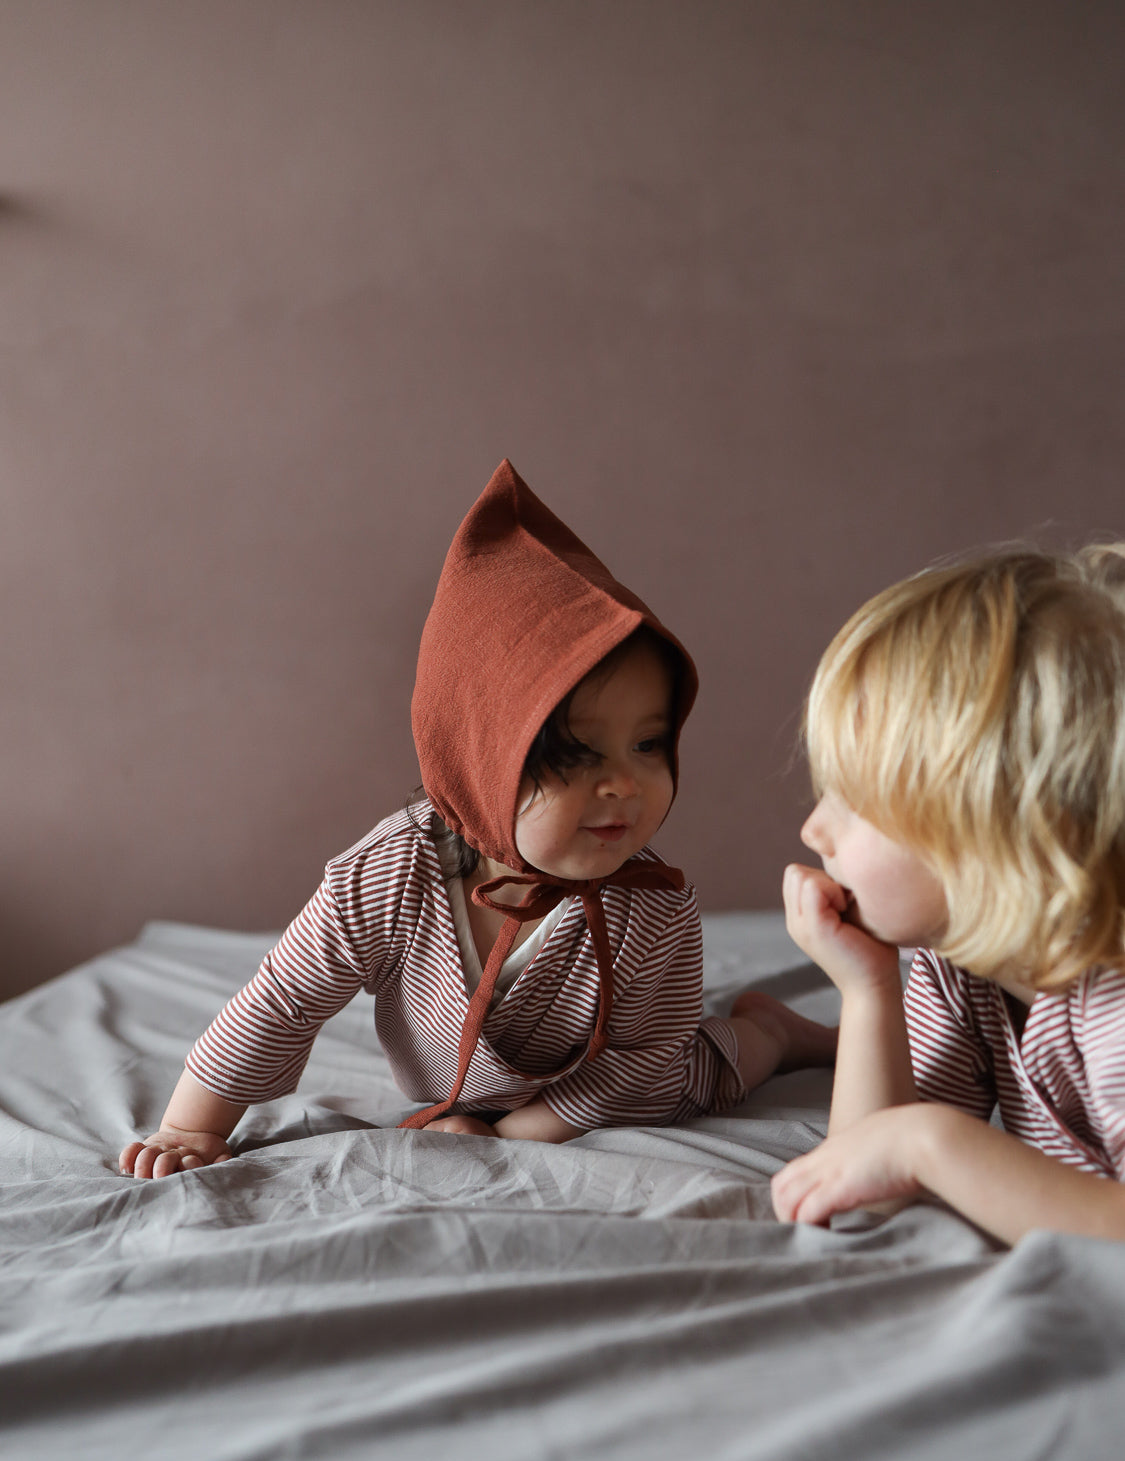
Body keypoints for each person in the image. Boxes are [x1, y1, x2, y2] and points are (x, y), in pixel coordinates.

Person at [121, 461, 834, 1178]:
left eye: (648, 744)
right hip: (445, 1081)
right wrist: (192, 1126)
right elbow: (283, 1001)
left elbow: (639, 1066)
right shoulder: (392, 872)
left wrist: (514, 1136)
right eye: (577, 755)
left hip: (598, 1092)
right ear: (477, 762)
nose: (624, 783)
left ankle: (770, 1030)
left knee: (701, 1070)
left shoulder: (652, 908)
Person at [771, 542, 1125, 1245]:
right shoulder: (958, 959)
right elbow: (860, 1188)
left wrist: (930, 1145)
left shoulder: (1110, 998)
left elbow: (907, 1147)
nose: (813, 827)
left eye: (854, 801)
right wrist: (868, 990)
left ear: (1002, 837)